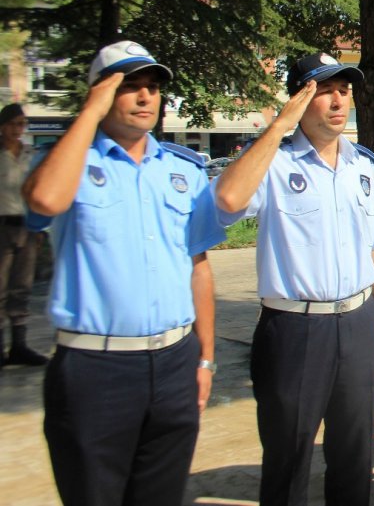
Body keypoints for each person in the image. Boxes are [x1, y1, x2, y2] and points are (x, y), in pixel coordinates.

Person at [23, 40, 225, 506]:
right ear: (100, 93)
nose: (145, 97)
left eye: (152, 87)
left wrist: (205, 358)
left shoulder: (182, 168)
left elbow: (198, 266)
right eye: (129, 86)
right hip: (96, 368)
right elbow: (44, 202)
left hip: (175, 362)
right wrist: (89, 115)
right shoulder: (67, 163)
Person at [213, 52, 374, 506]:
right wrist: (279, 125)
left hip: (357, 325)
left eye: (344, 90)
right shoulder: (273, 164)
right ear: (299, 97)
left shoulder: (364, 167)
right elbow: (229, 200)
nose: (339, 101)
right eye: (324, 91)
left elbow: (373, 248)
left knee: (355, 459)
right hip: (294, 330)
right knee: (288, 461)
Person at [0, 102, 48, 367]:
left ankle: (19, 346)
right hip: (2, 226)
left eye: (21, 124)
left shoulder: (30, 154)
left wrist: (40, 229)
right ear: (3, 126)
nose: (18, 130)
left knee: (22, 287)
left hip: (27, 227)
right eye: (13, 124)